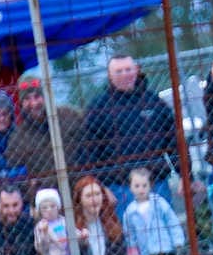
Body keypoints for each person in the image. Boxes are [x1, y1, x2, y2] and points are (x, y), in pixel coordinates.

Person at [75, 54, 175, 211]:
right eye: (119, 71)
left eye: (128, 69)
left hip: (157, 184)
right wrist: (101, 187)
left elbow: (175, 141)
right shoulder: (98, 109)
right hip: (120, 190)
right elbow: (88, 153)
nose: (125, 74)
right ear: (109, 76)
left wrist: (186, 176)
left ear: (136, 70)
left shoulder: (154, 101)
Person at [121, 166, 187, 255]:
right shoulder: (130, 212)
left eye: (144, 185)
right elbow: (130, 235)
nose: (141, 189)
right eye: (137, 186)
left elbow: (172, 222)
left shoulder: (159, 203)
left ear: (150, 185)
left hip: (164, 248)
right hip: (146, 252)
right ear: (130, 187)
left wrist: (178, 241)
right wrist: (133, 253)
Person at [70, 177, 133, 255]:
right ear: (80, 200)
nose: (94, 200)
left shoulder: (111, 224)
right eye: (89, 196)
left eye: (97, 194)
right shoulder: (73, 228)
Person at [5, 76, 58, 203]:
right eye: (27, 99)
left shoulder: (68, 117)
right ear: (21, 104)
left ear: (45, 98)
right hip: (43, 202)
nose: (33, 103)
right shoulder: (16, 139)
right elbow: (16, 179)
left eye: (37, 97)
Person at [32, 189, 73, 255]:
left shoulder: (64, 221)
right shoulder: (40, 227)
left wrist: (82, 234)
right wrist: (45, 233)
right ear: (39, 211)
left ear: (58, 207)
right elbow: (40, 247)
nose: (49, 210)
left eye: (52, 206)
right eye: (44, 208)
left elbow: (73, 232)